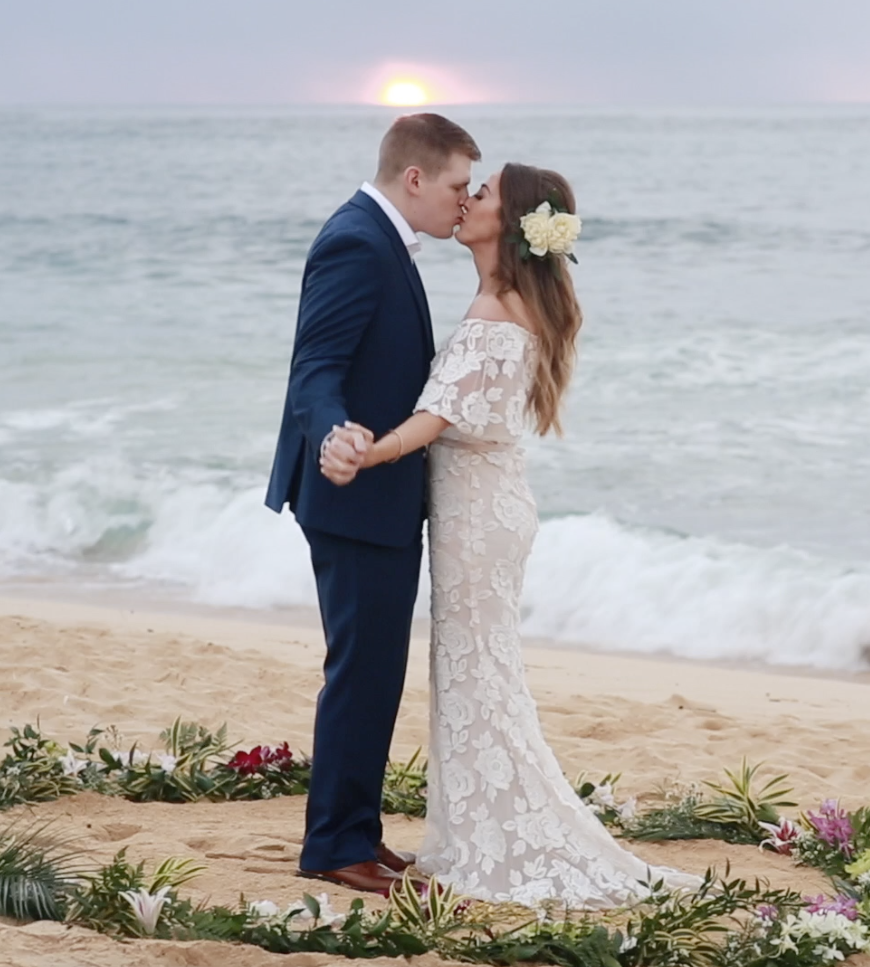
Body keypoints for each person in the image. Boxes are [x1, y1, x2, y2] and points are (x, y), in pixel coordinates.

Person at [321, 162, 702, 907]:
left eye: (484, 192)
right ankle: (474, 829)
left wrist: (369, 451)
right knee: (476, 672)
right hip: (486, 505)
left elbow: (436, 420)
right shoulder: (506, 301)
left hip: (477, 517)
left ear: (514, 221)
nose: (467, 199)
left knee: (475, 674)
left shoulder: (497, 314)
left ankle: (495, 835)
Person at [265, 113, 479, 895]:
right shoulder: (357, 240)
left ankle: (356, 830)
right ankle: (333, 845)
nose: (464, 200)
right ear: (415, 177)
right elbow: (314, 368)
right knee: (361, 671)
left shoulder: (380, 237)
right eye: (457, 184)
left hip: (375, 495)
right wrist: (335, 434)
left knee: (376, 668)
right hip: (352, 494)